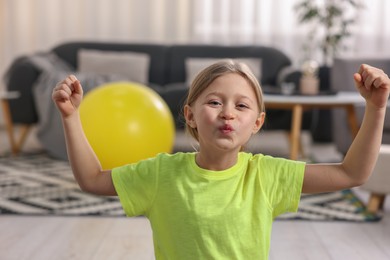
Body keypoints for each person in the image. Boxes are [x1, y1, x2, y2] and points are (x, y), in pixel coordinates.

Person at [52, 60, 390, 259]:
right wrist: (70, 118)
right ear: (191, 115)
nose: (228, 113)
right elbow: (92, 179)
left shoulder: (267, 175)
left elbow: (352, 173)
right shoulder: (161, 174)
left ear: (257, 122)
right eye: (214, 102)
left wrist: (375, 109)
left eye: (241, 106)